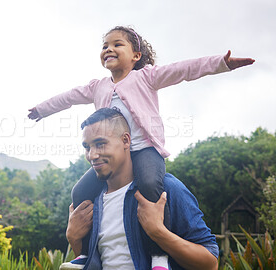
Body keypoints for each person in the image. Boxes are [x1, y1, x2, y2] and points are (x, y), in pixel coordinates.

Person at [28, 25, 254, 267]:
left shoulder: (146, 77)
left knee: (149, 185)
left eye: (117, 44)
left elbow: (184, 70)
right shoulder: (98, 86)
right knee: (79, 192)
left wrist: (221, 63)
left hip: (145, 149)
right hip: (116, 157)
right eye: (105, 45)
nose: (109, 49)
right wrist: (42, 109)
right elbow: (70, 97)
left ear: (136, 55)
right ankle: (85, 255)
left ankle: (158, 256)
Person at [62, 108, 219, 270]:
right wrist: (74, 239)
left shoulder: (165, 190)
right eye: (87, 147)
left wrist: (158, 232)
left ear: (126, 140)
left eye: (100, 144)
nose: (92, 155)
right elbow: (92, 265)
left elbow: (211, 263)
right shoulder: (92, 202)